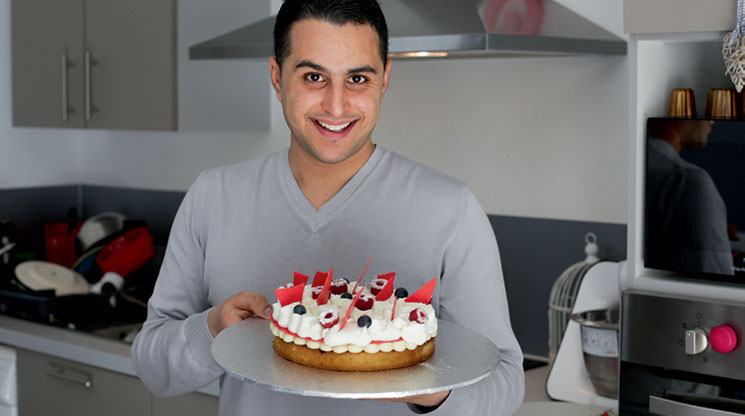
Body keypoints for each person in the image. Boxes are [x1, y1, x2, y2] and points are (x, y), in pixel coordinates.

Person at [131, 0, 525, 414]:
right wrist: (210, 329)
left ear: (385, 79)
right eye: (314, 76)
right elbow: (152, 368)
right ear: (277, 77)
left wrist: (436, 395)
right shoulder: (212, 197)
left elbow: (506, 381)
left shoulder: (451, 209)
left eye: (357, 78)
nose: (336, 106)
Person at [645, 118, 734, 276]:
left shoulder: (635, 165)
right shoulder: (688, 180)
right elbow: (713, 273)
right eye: (701, 110)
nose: (711, 121)